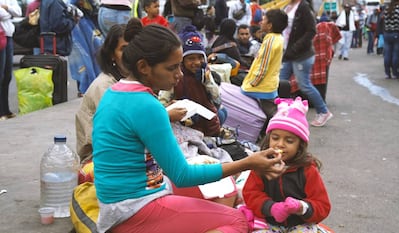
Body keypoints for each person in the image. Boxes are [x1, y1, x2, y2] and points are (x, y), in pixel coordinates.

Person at [92, 24, 286, 233]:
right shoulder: (147, 105)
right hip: (132, 209)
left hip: (115, 205)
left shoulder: (115, 93)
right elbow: (182, 175)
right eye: (172, 67)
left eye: (179, 66)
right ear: (143, 67)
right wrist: (248, 163)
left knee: (216, 194)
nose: (179, 74)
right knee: (236, 221)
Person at [242, 97, 331, 232]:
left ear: (300, 145)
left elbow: (322, 205)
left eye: (289, 141)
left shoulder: (308, 170)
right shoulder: (262, 165)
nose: (280, 144)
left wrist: (301, 207)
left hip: (300, 224)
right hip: (269, 222)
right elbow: (250, 194)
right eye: (275, 138)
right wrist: (271, 208)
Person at [76, 18, 142, 164]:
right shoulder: (104, 86)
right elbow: (119, 130)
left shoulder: (133, 79)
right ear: (112, 54)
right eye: (123, 49)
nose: (130, 54)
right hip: (101, 159)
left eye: (134, 48)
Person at [159, 25, 225, 136]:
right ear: (182, 60)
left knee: (222, 114)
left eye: (200, 58)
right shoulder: (176, 75)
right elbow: (163, 100)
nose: (197, 62)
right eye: (191, 58)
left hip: (207, 118)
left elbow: (216, 97)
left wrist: (207, 81)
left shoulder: (205, 73)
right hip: (184, 120)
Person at [279, 0, 333, 127]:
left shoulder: (303, 7)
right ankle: (283, 111)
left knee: (304, 85)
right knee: (281, 83)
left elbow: (311, 31)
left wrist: (296, 47)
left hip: (301, 55)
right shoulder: (288, 6)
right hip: (288, 54)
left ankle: (323, 111)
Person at [241, 9, 288, 123]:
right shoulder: (277, 38)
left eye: (264, 20)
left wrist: (252, 83)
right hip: (268, 84)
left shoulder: (270, 41)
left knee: (273, 116)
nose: (261, 22)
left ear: (270, 25)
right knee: (270, 114)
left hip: (262, 86)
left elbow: (263, 66)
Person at [0, 0, 21, 120]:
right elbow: (2, 14)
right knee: (0, 75)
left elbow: (18, 12)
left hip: (8, 36)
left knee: (7, 76)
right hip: (0, 36)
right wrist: (9, 12)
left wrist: (6, 7)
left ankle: (5, 109)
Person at [383, 0, 399, 79]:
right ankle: (395, 73)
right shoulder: (398, 10)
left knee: (387, 54)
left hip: (387, 33)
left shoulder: (386, 10)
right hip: (395, 33)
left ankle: (387, 73)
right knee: (395, 54)